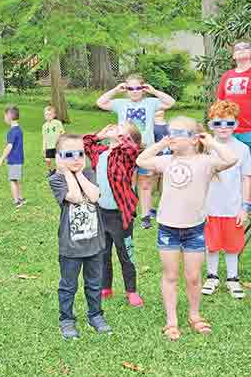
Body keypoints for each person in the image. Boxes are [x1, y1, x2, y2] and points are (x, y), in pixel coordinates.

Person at [137, 116, 236, 341]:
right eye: (170, 131)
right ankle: (171, 320)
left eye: (178, 132)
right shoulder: (166, 160)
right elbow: (142, 160)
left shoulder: (206, 161)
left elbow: (231, 159)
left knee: (193, 277)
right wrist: (162, 143)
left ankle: (194, 315)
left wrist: (211, 143)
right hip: (168, 229)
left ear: (193, 139)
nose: (172, 135)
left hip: (194, 230)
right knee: (170, 275)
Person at [49, 134, 111, 339]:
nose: (76, 158)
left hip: (94, 242)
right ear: (59, 157)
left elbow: (93, 196)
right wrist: (67, 172)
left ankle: (95, 315)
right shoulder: (56, 179)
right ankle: (66, 319)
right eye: (69, 154)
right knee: (68, 285)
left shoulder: (89, 173)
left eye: (80, 154)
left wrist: (79, 173)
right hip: (71, 246)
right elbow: (75, 197)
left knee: (94, 282)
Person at [96, 74, 177, 229]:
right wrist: (115, 90)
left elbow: (170, 102)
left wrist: (154, 91)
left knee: (145, 182)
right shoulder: (121, 103)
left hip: (146, 148)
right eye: (130, 88)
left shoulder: (151, 102)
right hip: (124, 148)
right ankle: (127, 208)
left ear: (143, 88)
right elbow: (100, 102)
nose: (134, 91)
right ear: (126, 89)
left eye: (138, 88)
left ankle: (145, 215)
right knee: (126, 180)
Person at [82, 123, 144, 307]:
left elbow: (134, 150)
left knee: (125, 254)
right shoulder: (100, 152)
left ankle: (131, 290)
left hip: (120, 216)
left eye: (121, 129)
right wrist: (100, 135)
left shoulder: (125, 156)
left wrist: (121, 138)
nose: (114, 128)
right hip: (101, 213)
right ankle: (105, 286)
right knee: (103, 253)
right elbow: (86, 144)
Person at [201, 101, 251, 299]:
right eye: (218, 123)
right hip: (209, 206)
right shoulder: (204, 148)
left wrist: (244, 207)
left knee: (232, 244)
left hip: (233, 206)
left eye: (229, 123)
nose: (223, 128)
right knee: (211, 244)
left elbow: (245, 178)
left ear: (236, 125)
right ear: (210, 124)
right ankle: (212, 276)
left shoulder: (242, 149)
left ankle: (233, 278)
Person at [217, 40, 251, 167]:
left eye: (245, 47)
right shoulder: (226, 76)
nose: (241, 49)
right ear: (233, 56)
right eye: (237, 49)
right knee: (229, 168)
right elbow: (219, 105)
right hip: (229, 130)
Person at [0, 106, 26, 207]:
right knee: (17, 179)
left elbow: (9, 146)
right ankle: (21, 198)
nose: (4, 118)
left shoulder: (12, 131)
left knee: (13, 180)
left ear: (9, 116)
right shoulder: (19, 129)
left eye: (4, 116)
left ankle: (16, 201)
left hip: (14, 160)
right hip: (19, 159)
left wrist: (1, 158)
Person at [42, 106, 65, 171]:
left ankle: (58, 171)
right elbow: (44, 137)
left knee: (58, 159)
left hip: (57, 145)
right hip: (49, 146)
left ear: (54, 115)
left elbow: (62, 132)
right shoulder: (44, 126)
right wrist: (44, 147)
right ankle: (50, 170)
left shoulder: (58, 123)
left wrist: (61, 141)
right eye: (46, 114)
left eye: (50, 114)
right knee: (47, 160)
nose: (48, 116)